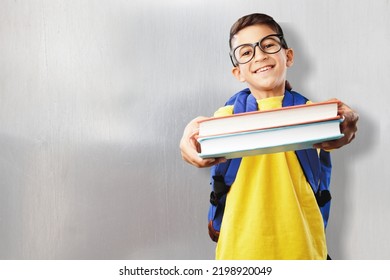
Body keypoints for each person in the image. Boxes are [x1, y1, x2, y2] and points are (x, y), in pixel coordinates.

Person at [180, 13, 358, 259]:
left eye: (269, 45)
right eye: (245, 52)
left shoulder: (313, 115)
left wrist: (346, 124)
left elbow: (343, 125)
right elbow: (198, 135)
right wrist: (189, 136)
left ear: (289, 56)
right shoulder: (227, 116)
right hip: (240, 254)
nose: (260, 55)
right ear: (238, 73)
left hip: (303, 252)